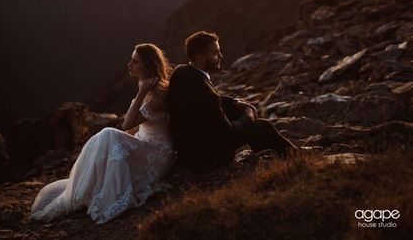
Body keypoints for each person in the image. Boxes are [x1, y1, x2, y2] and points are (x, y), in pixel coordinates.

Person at [30, 44, 175, 224]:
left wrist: (140, 94)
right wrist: (124, 141)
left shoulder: (156, 95)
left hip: (157, 153)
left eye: (135, 61)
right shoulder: (147, 87)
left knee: (108, 134)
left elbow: (126, 124)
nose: (129, 64)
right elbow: (136, 128)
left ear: (146, 65)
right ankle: (88, 191)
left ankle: (89, 193)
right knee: (107, 139)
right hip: (146, 144)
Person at [168, 31, 298, 171]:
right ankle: (297, 156)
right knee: (262, 126)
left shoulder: (180, 71)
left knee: (236, 111)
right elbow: (228, 135)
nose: (221, 56)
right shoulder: (207, 94)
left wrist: (233, 101)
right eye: (215, 53)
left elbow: (201, 100)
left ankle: (270, 154)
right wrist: (248, 116)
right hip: (206, 158)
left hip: (188, 148)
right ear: (200, 58)